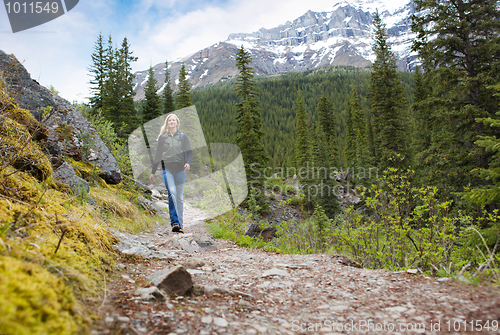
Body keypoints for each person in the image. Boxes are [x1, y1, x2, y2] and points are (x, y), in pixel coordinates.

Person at [150, 113, 192, 233]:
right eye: (170, 120)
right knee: (172, 192)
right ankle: (175, 223)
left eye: (174, 120)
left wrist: (188, 163)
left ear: (177, 123)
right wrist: (153, 172)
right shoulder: (163, 138)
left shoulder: (183, 137)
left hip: (180, 170)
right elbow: (158, 155)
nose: (172, 122)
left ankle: (180, 224)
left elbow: (189, 153)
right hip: (166, 169)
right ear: (167, 123)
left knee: (179, 197)